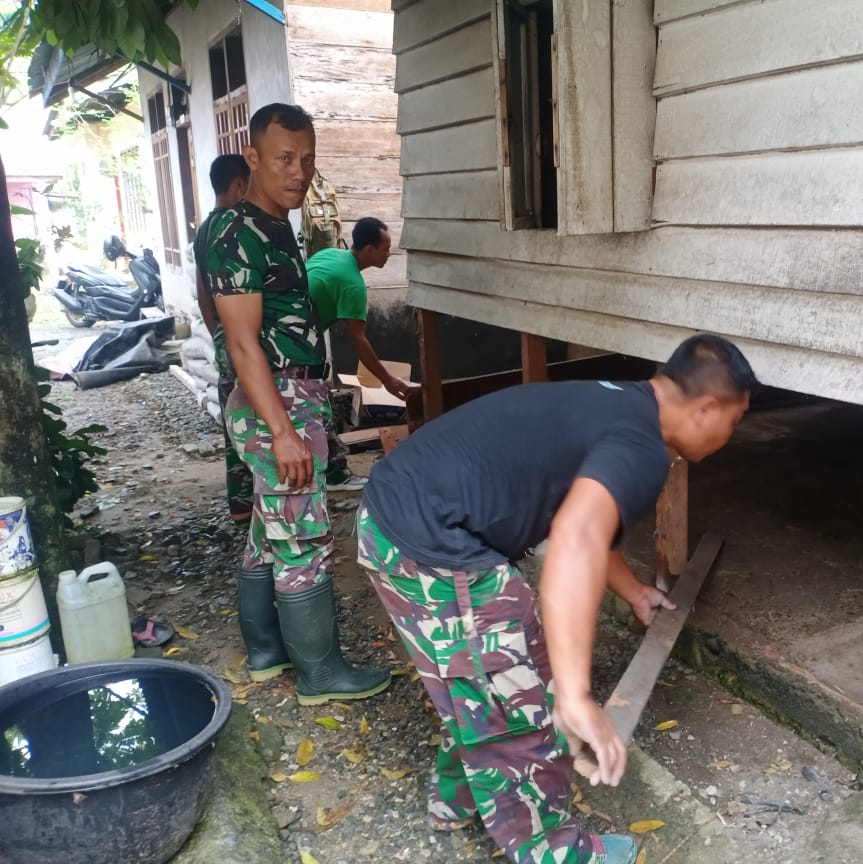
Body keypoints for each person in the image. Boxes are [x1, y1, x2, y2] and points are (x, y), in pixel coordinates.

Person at [357, 335, 756, 864]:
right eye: (734, 420)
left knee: (482, 675)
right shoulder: (642, 448)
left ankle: (456, 801)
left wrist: (635, 591)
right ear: (706, 408)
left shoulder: (617, 402)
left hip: (400, 512)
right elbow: (576, 537)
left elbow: (588, 521)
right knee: (522, 698)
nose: (732, 434)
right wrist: (574, 694)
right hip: (430, 540)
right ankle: (556, 851)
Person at [204, 103, 390, 705]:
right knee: (303, 537)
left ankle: (265, 652)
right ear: (253, 157)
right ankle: (320, 673)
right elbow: (240, 340)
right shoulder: (235, 230)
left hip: (292, 392)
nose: (298, 171)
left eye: (307, 159)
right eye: (284, 158)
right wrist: (283, 430)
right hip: (275, 399)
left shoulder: (277, 224)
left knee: (271, 527)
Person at [306, 217, 410, 491]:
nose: (389, 253)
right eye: (385, 247)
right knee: (317, 406)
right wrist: (388, 380)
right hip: (299, 341)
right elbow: (358, 340)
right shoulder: (353, 284)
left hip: (283, 331)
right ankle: (334, 476)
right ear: (368, 249)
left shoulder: (332, 254)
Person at [194, 154, 253, 526]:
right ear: (239, 185)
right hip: (247, 342)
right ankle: (270, 504)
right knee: (260, 416)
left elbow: (202, 293)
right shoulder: (239, 226)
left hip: (223, 338)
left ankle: (242, 506)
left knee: (234, 423)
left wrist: (218, 332)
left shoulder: (203, 230)